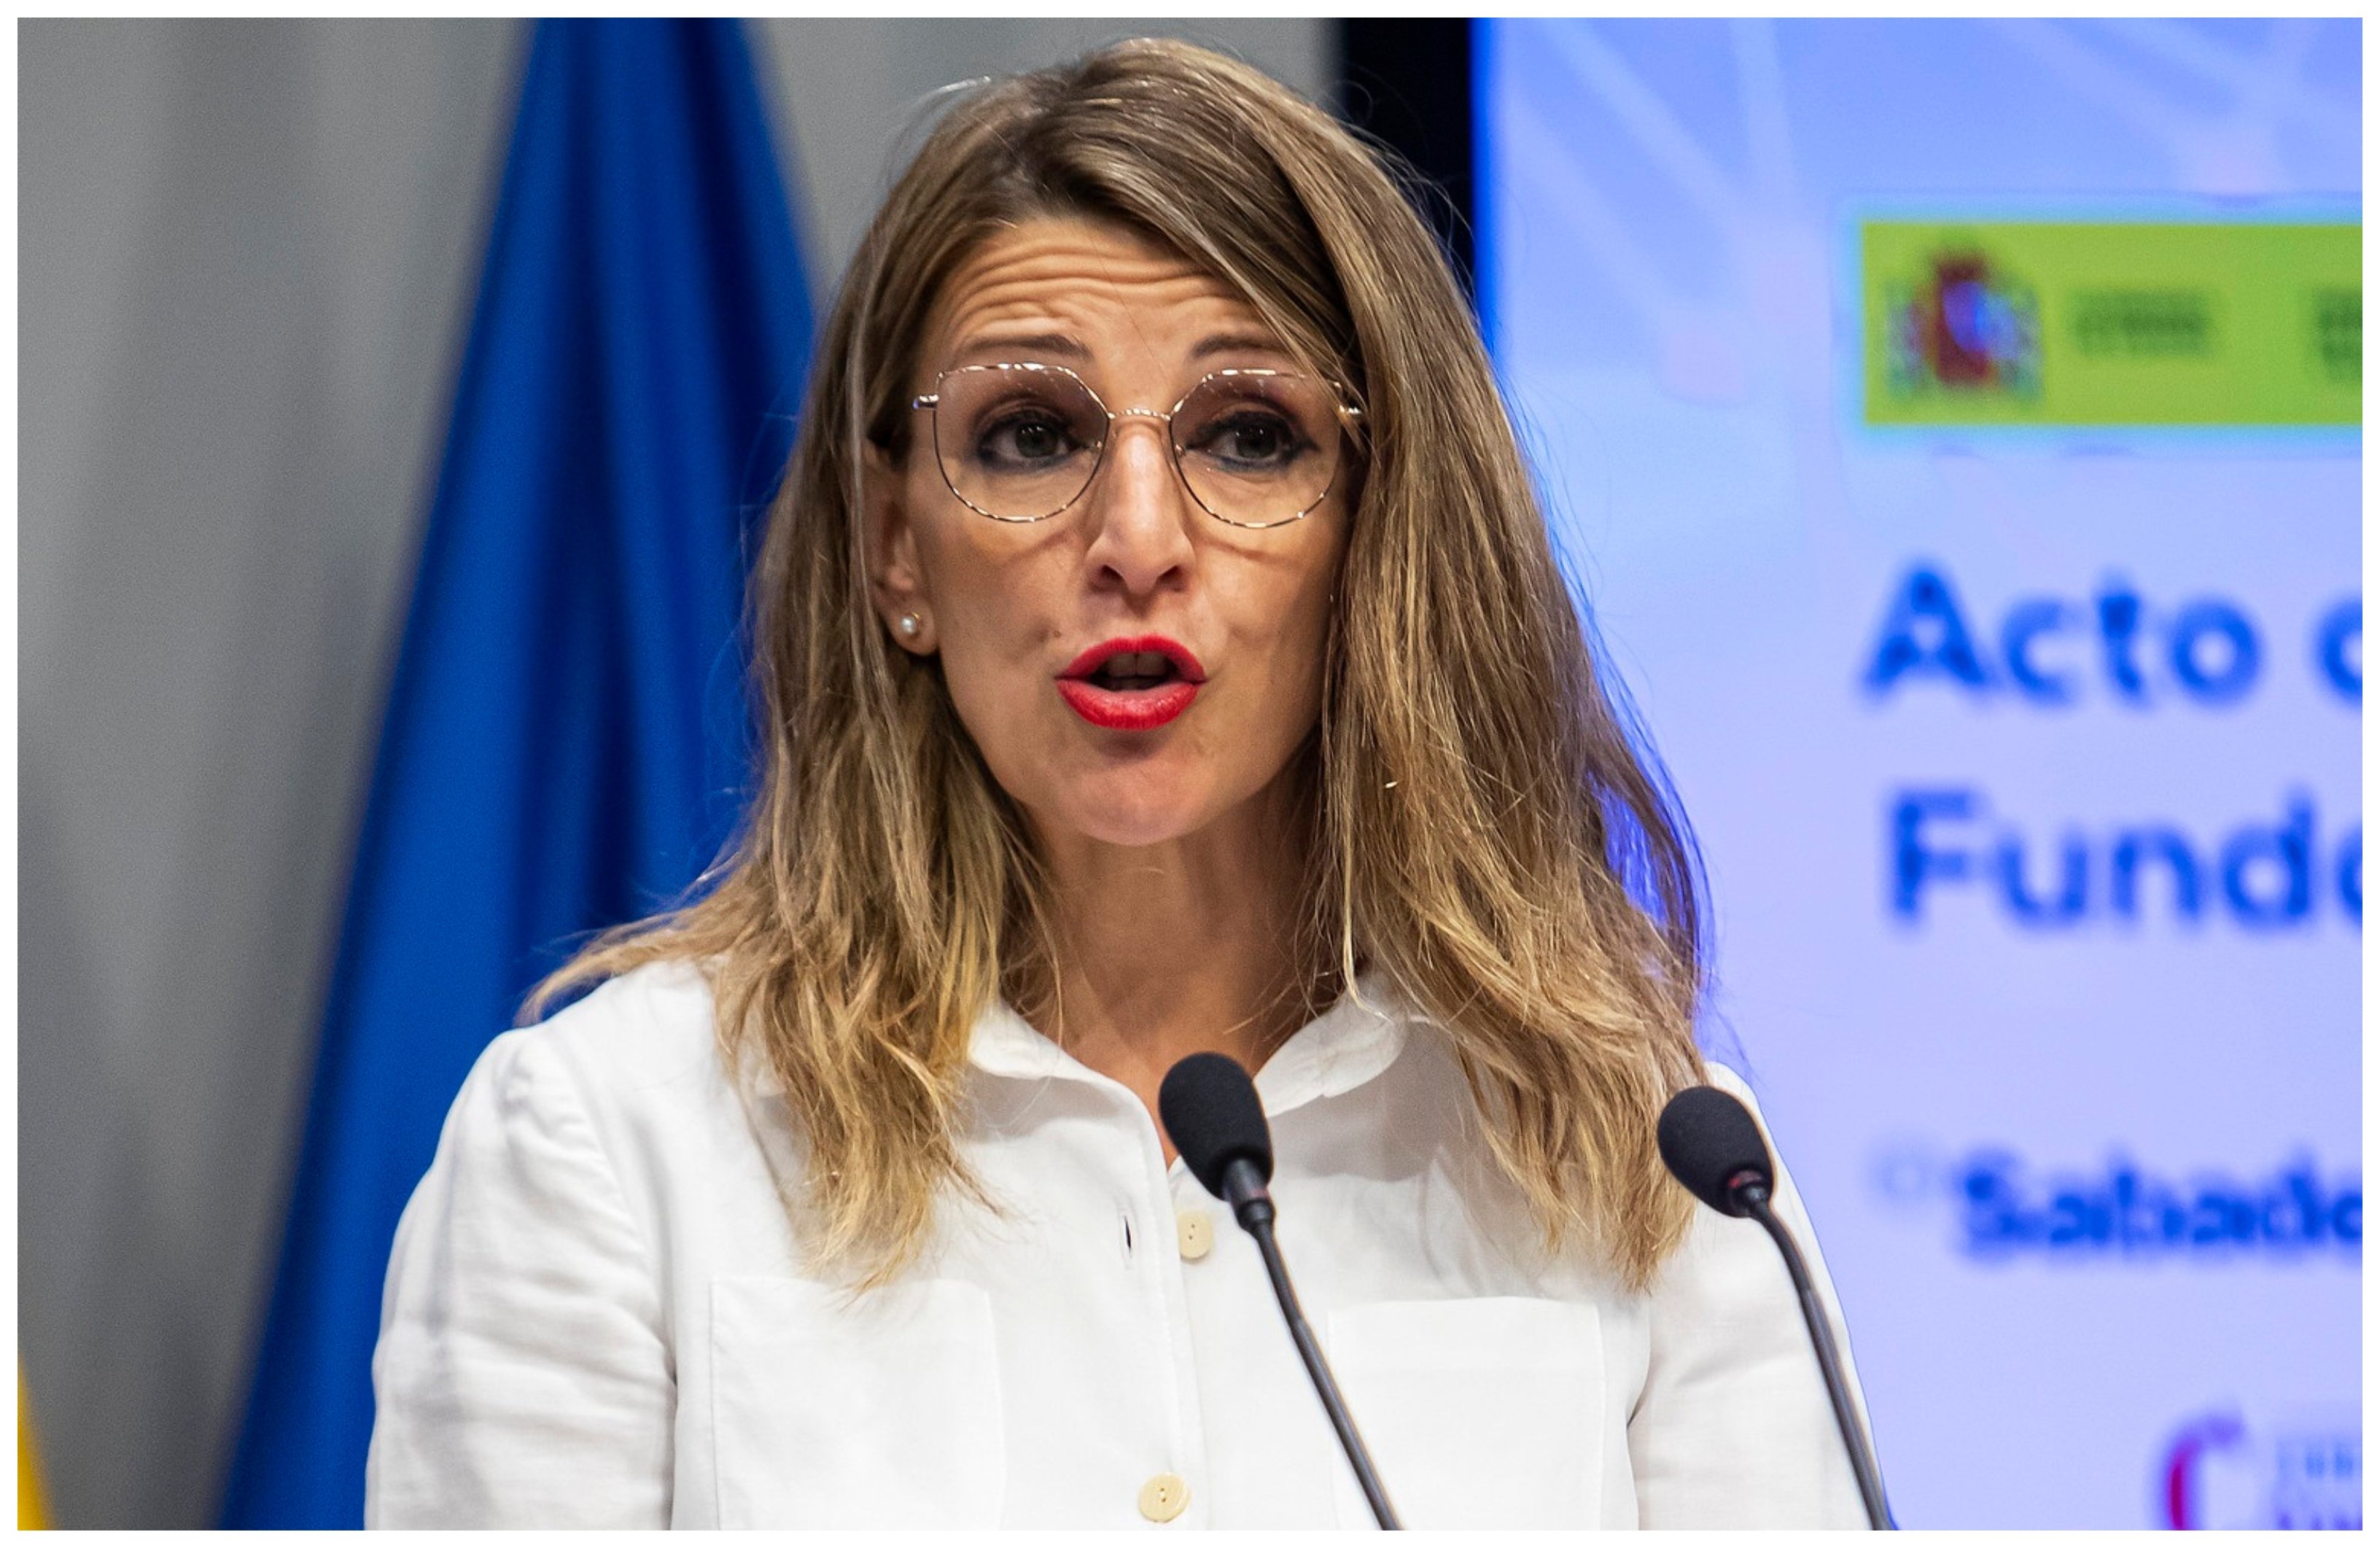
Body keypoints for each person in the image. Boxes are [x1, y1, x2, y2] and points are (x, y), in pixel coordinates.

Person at [365, 37, 1875, 1530]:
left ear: (1379, 534)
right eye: (1031, 437)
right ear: (896, 549)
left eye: (1248, 436)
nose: (1138, 540)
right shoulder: (616, 1148)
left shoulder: (1652, 1168)